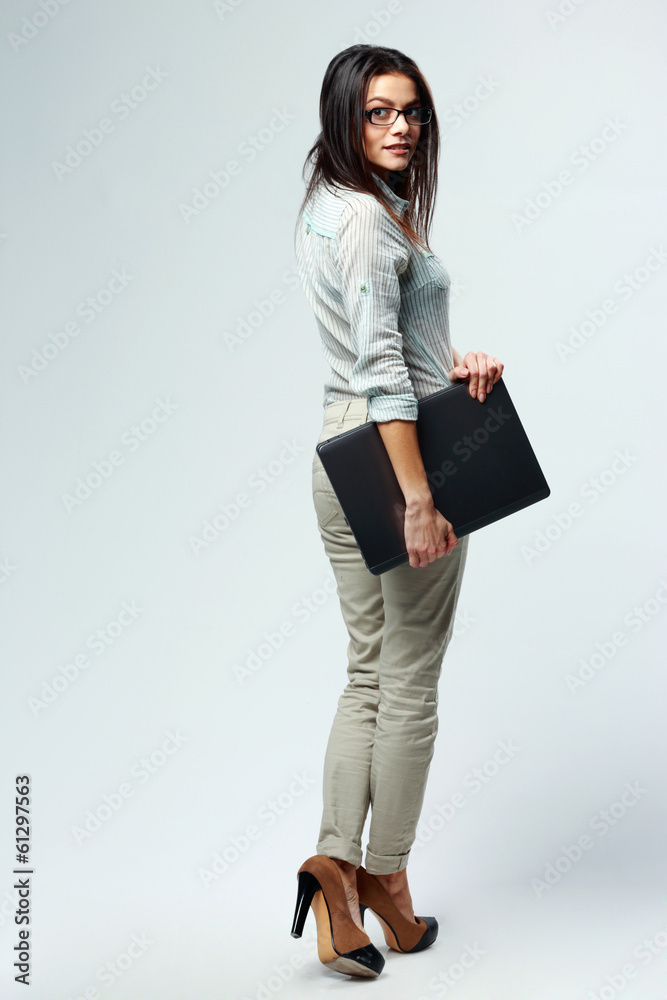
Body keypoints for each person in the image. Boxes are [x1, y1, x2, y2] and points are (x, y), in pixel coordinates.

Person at [290, 44, 503, 980]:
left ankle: (336, 868)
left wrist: (456, 362)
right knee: (408, 680)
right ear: (344, 118)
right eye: (377, 113)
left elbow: (387, 353)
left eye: (409, 110)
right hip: (393, 454)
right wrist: (420, 498)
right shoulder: (373, 227)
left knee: (368, 669)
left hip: (341, 448)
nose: (400, 127)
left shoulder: (333, 210)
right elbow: (386, 379)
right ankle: (385, 879)